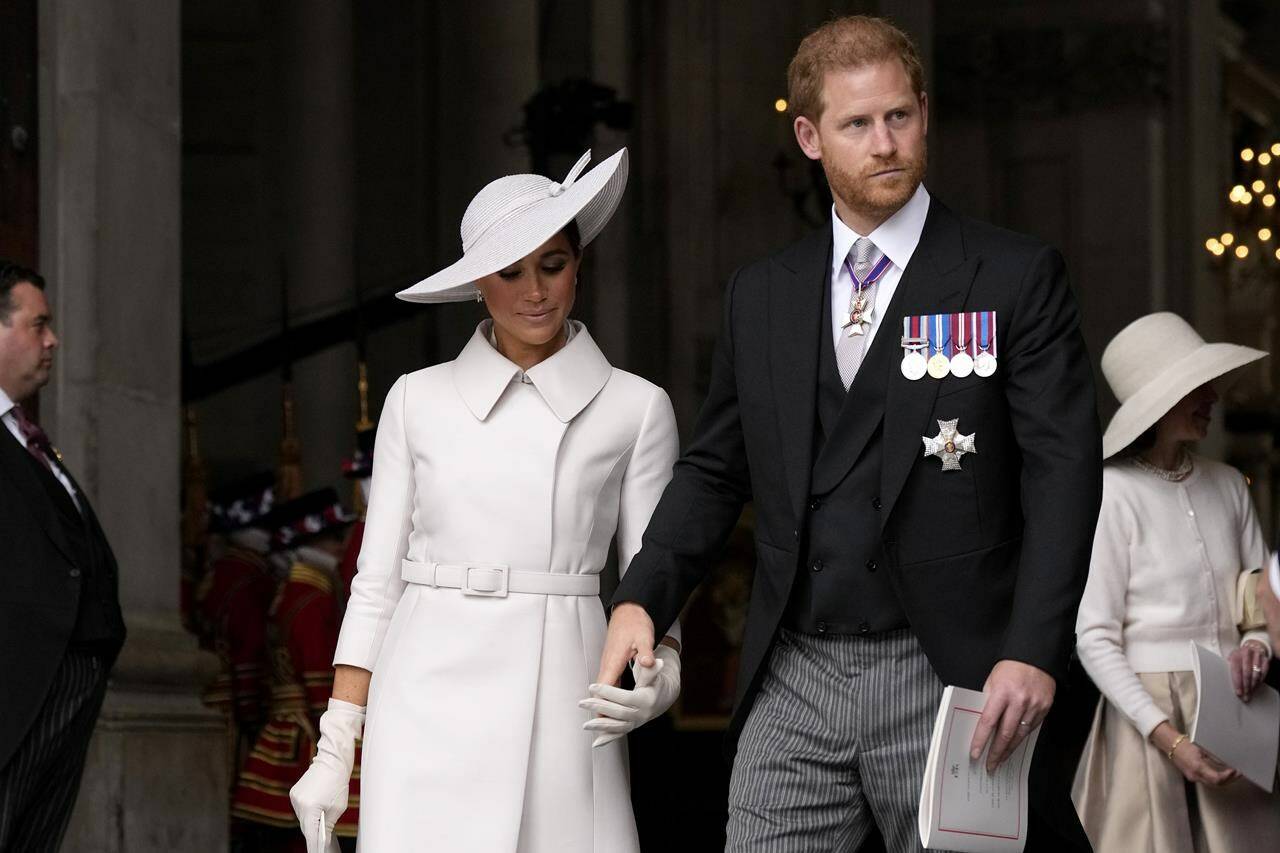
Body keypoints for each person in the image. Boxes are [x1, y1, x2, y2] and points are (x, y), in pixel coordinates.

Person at [596, 15, 1101, 852]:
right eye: (857, 124)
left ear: (926, 114)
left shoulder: (1012, 275)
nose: (885, 143)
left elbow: (1064, 471)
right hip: (795, 671)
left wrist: (1034, 649)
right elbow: (717, 468)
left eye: (899, 116)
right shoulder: (760, 294)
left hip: (948, 673)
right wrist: (642, 594)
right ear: (808, 135)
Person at [289, 148, 682, 852]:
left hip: (567, 696)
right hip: (423, 695)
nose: (535, 290)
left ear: (579, 264)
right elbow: (375, 584)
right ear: (478, 282)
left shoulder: (637, 407)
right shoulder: (415, 398)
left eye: (553, 264)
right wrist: (335, 745)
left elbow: (660, 576)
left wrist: (668, 672)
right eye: (510, 271)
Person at [1073, 312, 1280, 852]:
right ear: (1160, 401)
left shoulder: (1230, 484)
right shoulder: (1111, 493)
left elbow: (1259, 605)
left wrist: (1256, 648)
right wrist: (1168, 738)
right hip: (1147, 717)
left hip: (1237, 709)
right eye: (1198, 387)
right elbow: (1094, 638)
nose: (1213, 397)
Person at [0, 260, 127, 850]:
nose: (52, 340)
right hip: (20, 687)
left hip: (67, 678)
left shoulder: (25, 432)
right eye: (38, 324)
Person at [232, 488, 360, 852]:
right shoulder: (312, 598)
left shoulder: (296, 591)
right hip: (304, 730)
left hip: (286, 721)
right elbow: (320, 678)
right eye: (334, 538)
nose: (341, 547)